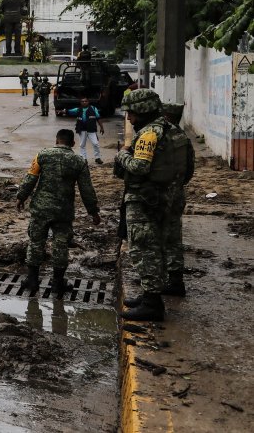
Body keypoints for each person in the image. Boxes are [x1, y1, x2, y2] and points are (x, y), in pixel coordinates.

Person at [117, 89, 188, 322]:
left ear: (143, 110)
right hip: (167, 196)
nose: (129, 118)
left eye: (132, 113)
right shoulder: (173, 130)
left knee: (144, 247)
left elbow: (139, 167)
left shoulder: (149, 134)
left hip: (146, 199)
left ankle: (152, 304)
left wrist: (122, 156)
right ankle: (151, 295)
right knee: (159, 244)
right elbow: (188, 167)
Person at [16, 129, 100, 296]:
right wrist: (93, 212)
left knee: (36, 243)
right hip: (63, 211)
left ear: (56, 140)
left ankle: (32, 281)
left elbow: (30, 177)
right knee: (61, 245)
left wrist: (21, 197)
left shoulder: (42, 155)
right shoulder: (79, 161)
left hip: (41, 209)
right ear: (73, 144)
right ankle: (58, 284)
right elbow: (87, 189)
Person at [160, 103, 195, 297]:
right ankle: (175, 280)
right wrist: (178, 184)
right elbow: (190, 168)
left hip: (162, 194)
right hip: (177, 193)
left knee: (157, 238)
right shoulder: (184, 138)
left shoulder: (163, 136)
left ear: (166, 116)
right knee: (174, 238)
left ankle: (159, 279)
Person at [64, 97, 105, 164]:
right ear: (80, 102)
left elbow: (98, 118)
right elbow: (70, 111)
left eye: (85, 101)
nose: (84, 102)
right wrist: (64, 111)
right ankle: (84, 158)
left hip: (91, 129)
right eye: (82, 101)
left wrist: (102, 127)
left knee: (95, 143)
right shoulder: (78, 109)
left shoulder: (94, 109)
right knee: (82, 144)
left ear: (88, 102)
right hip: (82, 129)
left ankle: (97, 158)